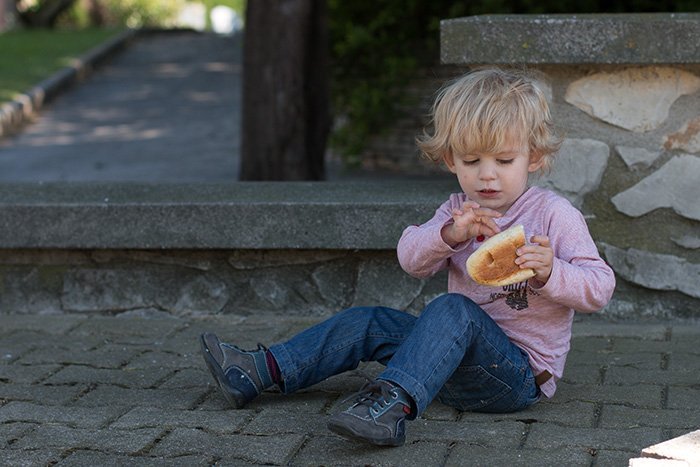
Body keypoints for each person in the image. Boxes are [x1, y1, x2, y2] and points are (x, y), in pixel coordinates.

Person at [199, 68, 616, 447]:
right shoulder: (457, 209)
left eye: (504, 161)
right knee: (368, 321)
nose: (487, 175)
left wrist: (551, 273)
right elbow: (410, 260)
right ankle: (260, 370)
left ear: (535, 158)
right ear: (451, 159)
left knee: (454, 308)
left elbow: (600, 288)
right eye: (472, 161)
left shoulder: (554, 215)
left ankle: (390, 405)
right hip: (445, 366)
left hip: (516, 378)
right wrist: (450, 235)